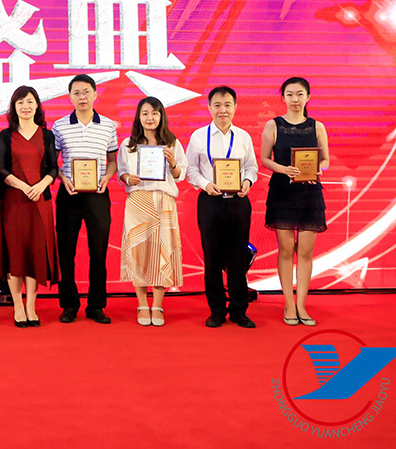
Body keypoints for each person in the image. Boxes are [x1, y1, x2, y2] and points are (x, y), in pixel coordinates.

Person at [185, 87, 259, 329]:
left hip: (238, 201)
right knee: (212, 257)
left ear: (235, 107)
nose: (222, 110)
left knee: (238, 256)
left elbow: (252, 167)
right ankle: (216, 310)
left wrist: (247, 181)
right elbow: (190, 169)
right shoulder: (199, 136)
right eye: (217, 105)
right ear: (209, 108)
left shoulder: (243, 137)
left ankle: (239, 310)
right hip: (210, 201)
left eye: (227, 105)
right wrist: (205, 184)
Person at [260, 77, 329, 327]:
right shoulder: (273, 125)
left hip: (310, 194)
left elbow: (325, 159)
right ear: (283, 98)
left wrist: (318, 169)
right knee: (286, 249)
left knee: (306, 252)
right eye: (290, 94)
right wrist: (284, 169)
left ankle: (302, 305)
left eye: (300, 94)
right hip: (282, 193)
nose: (295, 99)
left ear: (308, 97)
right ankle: (289, 304)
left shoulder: (317, 126)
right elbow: (264, 159)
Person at [52, 74, 117, 324]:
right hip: (69, 194)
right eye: (77, 93)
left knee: (98, 252)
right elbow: (52, 162)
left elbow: (112, 161)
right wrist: (62, 178)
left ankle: (96, 305)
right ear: (70, 97)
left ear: (95, 94)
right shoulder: (59, 126)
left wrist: (107, 178)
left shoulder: (108, 125)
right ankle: (69, 305)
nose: (82, 97)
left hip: (98, 195)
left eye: (86, 91)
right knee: (66, 252)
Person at [116, 97, 187, 327]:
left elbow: (181, 175)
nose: (150, 118)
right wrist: (128, 178)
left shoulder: (172, 143)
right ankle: (141, 304)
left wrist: (173, 163)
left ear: (161, 116)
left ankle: (157, 305)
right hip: (138, 202)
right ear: (138, 116)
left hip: (163, 202)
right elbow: (121, 173)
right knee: (139, 254)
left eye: (155, 113)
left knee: (162, 252)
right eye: (145, 113)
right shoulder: (128, 144)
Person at [0, 86, 59, 328]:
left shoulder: (47, 135)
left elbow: (53, 167)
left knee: (35, 252)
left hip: (40, 200)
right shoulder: (5, 135)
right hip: (14, 201)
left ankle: (31, 305)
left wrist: (40, 185)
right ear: (14, 107)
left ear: (37, 105)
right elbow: (0, 169)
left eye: (30, 101)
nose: (25, 106)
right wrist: (24, 187)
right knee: (15, 252)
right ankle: (17, 306)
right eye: (20, 102)